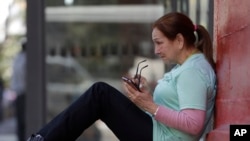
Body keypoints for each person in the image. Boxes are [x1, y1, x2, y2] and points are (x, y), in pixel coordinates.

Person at [27, 12, 216, 141]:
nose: (156, 50)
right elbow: (178, 104)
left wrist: (150, 105)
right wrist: (146, 93)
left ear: (180, 40)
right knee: (99, 94)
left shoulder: (192, 71)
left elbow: (193, 124)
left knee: (100, 94)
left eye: (159, 43)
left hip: (161, 137)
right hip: (158, 131)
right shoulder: (187, 66)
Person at [11, 38, 27, 141]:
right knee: (23, 120)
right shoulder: (24, 58)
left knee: (21, 120)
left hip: (19, 92)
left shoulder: (18, 58)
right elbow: (23, 76)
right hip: (23, 92)